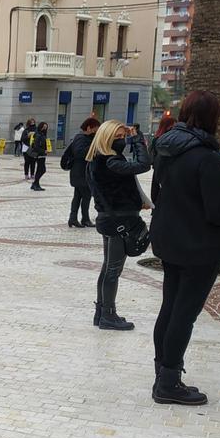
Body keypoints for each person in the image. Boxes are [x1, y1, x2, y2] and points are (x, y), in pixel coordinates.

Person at [150, 91, 220, 405]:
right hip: (199, 247)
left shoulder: (166, 149)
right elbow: (219, 212)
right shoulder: (207, 158)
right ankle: (169, 382)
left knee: (170, 307)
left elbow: (158, 194)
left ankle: (163, 372)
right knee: (183, 315)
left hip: (170, 241)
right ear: (213, 118)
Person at [86, 119, 151, 331]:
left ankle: (101, 312)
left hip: (111, 219)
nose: (122, 141)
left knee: (108, 268)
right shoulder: (110, 161)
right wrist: (137, 140)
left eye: (123, 137)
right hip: (118, 222)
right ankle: (108, 315)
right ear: (106, 138)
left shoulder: (98, 160)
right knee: (113, 270)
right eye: (118, 137)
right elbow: (143, 164)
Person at [61, 118, 100, 227]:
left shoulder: (83, 138)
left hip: (80, 173)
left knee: (78, 196)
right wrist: (93, 148)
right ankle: (85, 219)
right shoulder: (81, 138)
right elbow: (79, 153)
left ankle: (73, 219)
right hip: (80, 173)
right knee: (86, 196)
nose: (97, 132)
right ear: (89, 128)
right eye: (96, 129)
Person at [28, 121, 50, 191]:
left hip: (42, 155)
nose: (44, 128)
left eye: (46, 127)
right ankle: (35, 184)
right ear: (41, 127)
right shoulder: (38, 135)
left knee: (40, 170)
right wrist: (44, 151)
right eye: (44, 127)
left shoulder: (43, 134)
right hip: (39, 154)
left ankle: (35, 184)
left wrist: (46, 150)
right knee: (42, 169)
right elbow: (36, 146)